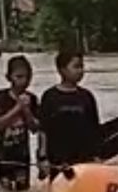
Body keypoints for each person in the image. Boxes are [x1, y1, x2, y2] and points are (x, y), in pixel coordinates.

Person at [37, 51, 102, 180]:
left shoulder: (87, 96)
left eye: (82, 66)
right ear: (62, 70)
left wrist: (97, 156)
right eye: (76, 66)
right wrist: (42, 157)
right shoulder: (50, 96)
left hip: (84, 160)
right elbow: (43, 130)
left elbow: (95, 129)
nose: (81, 70)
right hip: (58, 161)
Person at [0, 55, 40, 191]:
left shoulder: (32, 98)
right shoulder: (1, 96)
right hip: (3, 152)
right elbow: (0, 122)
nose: (24, 81)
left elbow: (34, 128)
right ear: (9, 77)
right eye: (19, 77)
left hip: (22, 153)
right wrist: (18, 107)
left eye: (27, 77)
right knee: (6, 189)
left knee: (22, 189)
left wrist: (26, 110)